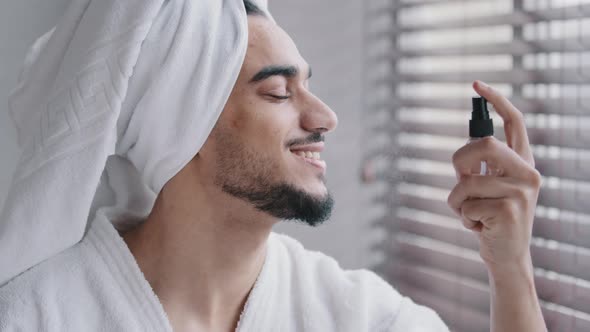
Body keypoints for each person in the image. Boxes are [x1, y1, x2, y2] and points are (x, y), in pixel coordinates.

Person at [0, 0, 547, 331]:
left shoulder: (353, 313)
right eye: (281, 92)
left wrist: (510, 267)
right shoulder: (38, 315)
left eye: (310, 85)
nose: (325, 116)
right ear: (184, 127)